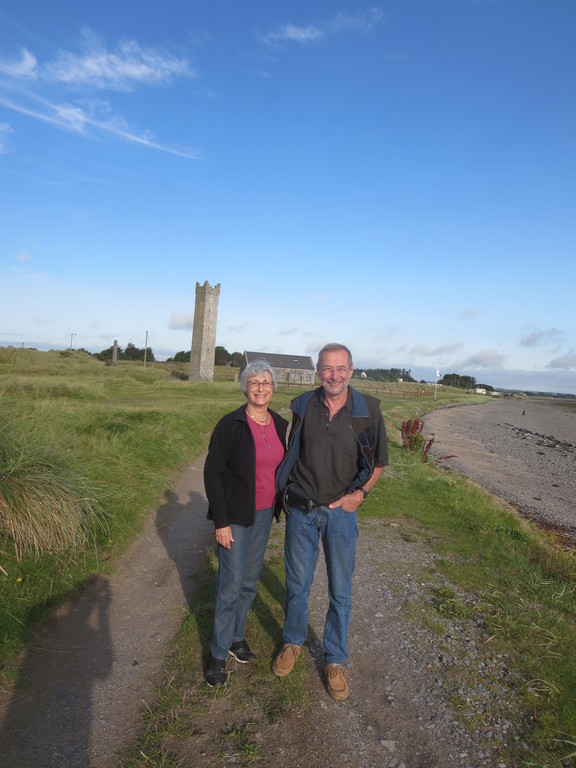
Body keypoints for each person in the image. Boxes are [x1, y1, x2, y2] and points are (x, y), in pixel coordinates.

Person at [272, 343, 388, 701]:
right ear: (318, 371)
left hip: (341, 514)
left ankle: (334, 658)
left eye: (340, 368)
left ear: (351, 370)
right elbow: (292, 448)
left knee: (340, 592)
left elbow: (379, 462)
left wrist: (359, 496)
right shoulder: (305, 404)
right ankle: (292, 642)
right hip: (303, 510)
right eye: (327, 369)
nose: (333, 375)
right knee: (297, 585)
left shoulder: (368, 409)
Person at [203, 360, 288, 688]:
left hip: (264, 514)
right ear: (245, 386)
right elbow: (213, 473)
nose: (261, 387)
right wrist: (220, 521)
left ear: (273, 387)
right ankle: (217, 655)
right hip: (235, 518)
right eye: (254, 382)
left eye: (266, 382)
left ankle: (236, 638)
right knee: (230, 583)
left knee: (250, 581)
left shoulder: (280, 424)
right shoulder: (231, 424)